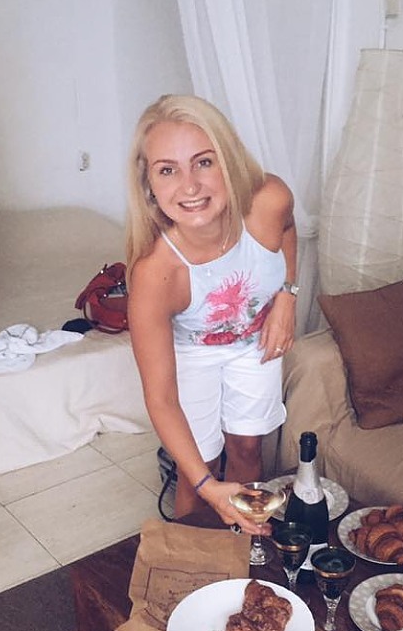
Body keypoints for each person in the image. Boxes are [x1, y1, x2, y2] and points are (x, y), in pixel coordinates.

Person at [125, 95, 298, 534]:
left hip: (254, 340)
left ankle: (247, 545)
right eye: (168, 170)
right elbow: (160, 398)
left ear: (228, 161)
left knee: (248, 448)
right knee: (197, 468)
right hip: (193, 351)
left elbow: (288, 229)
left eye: (203, 162)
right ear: (149, 185)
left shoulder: (270, 200)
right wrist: (207, 486)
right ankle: (194, 554)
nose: (190, 187)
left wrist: (287, 296)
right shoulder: (155, 274)